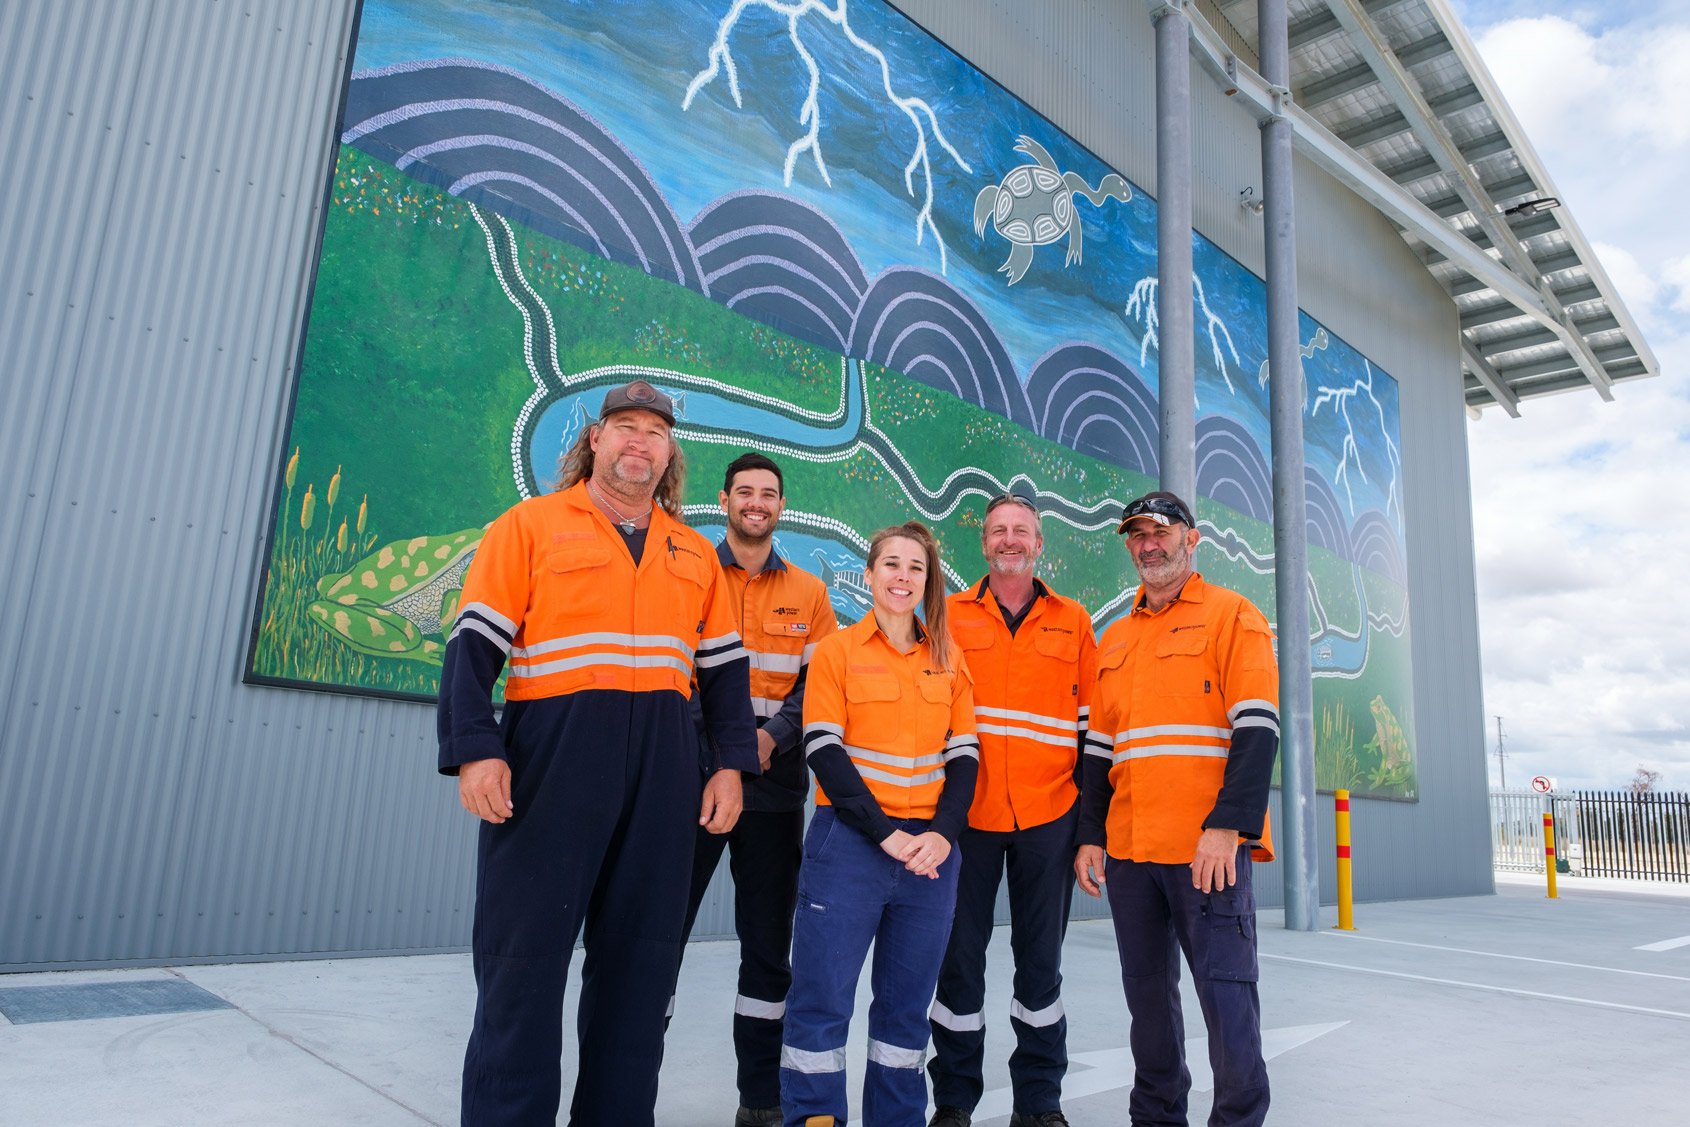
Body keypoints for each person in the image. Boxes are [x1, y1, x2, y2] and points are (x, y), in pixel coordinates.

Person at [437, 379, 758, 1126]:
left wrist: (731, 767)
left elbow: (723, 674)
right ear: (595, 440)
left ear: (669, 450)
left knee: (640, 970)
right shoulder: (531, 525)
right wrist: (476, 747)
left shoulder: (692, 552)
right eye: (625, 426)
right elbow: (475, 644)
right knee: (523, 964)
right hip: (552, 766)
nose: (639, 440)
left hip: (664, 777)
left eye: (654, 429)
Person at [1073, 491, 1280, 1127]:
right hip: (1132, 854)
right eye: (1136, 535)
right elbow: (1101, 753)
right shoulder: (1116, 639)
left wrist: (1227, 828)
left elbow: (1258, 729)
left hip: (1205, 853)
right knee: (1149, 1007)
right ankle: (1156, 1118)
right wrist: (1089, 837)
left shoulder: (1232, 617)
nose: (1148, 544)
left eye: (1160, 531)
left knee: (1226, 1001)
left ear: (1193, 540)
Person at [780, 522, 980, 1127]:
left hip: (929, 857)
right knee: (821, 1000)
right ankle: (814, 1119)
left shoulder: (949, 659)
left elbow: (965, 758)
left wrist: (942, 835)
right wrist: (885, 834)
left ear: (927, 580)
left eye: (914, 568)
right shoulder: (837, 653)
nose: (902, 577)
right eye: (890, 564)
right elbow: (824, 751)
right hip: (851, 846)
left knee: (905, 1012)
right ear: (868, 575)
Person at [676, 452, 840, 1127]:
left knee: (769, 950)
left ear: (780, 506)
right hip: (688, 786)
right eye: (744, 491)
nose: (756, 502)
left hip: (773, 794)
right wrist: (720, 751)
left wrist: (768, 739)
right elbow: (673, 673)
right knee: (655, 934)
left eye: (767, 494)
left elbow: (818, 687)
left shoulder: (810, 594)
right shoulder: (689, 576)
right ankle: (624, 1085)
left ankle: (761, 1099)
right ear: (724, 500)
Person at [927, 494, 1097, 1127]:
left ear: (1039, 543)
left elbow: (1092, 733)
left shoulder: (1074, 621)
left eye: (1021, 531)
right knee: (958, 964)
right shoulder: (946, 614)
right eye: (998, 530)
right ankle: (953, 1101)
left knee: (1041, 968)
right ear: (983, 543)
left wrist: (1088, 829)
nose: (1009, 540)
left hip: (1049, 818)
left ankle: (1040, 1101)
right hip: (964, 820)